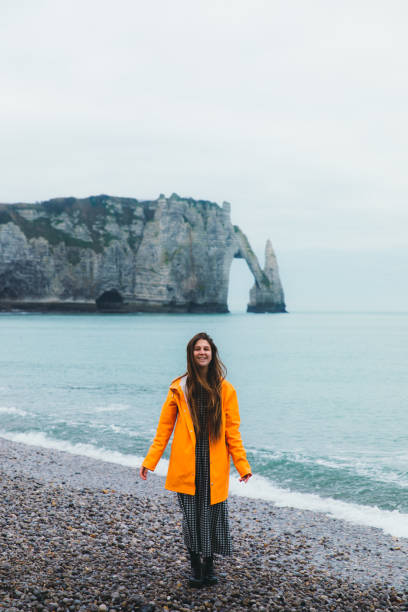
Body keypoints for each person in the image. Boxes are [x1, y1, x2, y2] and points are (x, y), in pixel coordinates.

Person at [139, 331, 252, 587]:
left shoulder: (226, 389)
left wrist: (242, 465)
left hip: (214, 465)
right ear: (191, 354)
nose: (202, 352)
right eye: (197, 349)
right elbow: (164, 429)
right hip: (186, 464)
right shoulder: (179, 387)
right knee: (191, 518)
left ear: (213, 355)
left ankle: (209, 566)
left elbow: (233, 431)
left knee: (212, 515)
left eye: (206, 349)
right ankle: (195, 567)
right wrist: (150, 461)